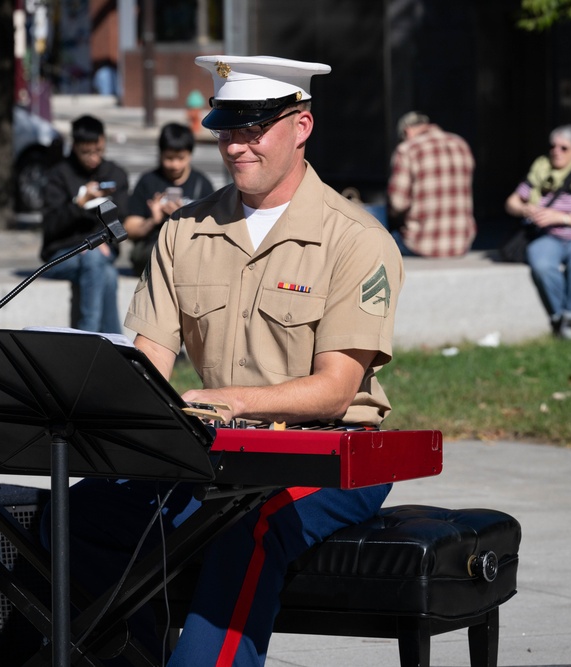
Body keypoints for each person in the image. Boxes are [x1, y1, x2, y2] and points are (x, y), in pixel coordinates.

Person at [60, 55, 403, 667]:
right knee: (79, 511)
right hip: (216, 446)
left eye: (255, 129)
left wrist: (232, 402)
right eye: (226, 129)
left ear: (302, 126)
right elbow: (148, 364)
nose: (236, 147)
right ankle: (134, 653)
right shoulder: (183, 232)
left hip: (333, 451)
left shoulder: (356, 237)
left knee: (250, 521)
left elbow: (334, 390)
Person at [505, 124, 571, 340]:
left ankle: (569, 316)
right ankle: (563, 318)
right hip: (548, 236)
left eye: (564, 148)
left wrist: (560, 217)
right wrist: (524, 208)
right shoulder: (540, 168)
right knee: (542, 264)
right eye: (553, 146)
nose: (556, 151)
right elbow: (511, 202)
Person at [40, 114, 129, 333]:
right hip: (61, 255)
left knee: (101, 267)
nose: (93, 158)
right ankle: (98, 340)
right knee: (99, 265)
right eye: (86, 152)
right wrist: (79, 204)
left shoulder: (114, 174)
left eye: (98, 150)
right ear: (75, 147)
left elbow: (122, 220)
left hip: (100, 253)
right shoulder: (59, 176)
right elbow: (50, 227)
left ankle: (104, 345)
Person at [123, 122, 215, 276]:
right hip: (152, 252)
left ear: (190, 154)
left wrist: (183, 217)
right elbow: (129, 228)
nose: (175, 165)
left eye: (181, 158)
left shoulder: (201, 183)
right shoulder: (148, 181)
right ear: (160, 153)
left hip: (190, 251)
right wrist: (153, 220)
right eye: (169, 158)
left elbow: (213, 229)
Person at [386, 111, 476, 257]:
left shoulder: (407, 149)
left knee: (381, 235)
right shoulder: (461, 144)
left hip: (420, 243)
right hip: (462, 243)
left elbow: (398, 203)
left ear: (407, 130)